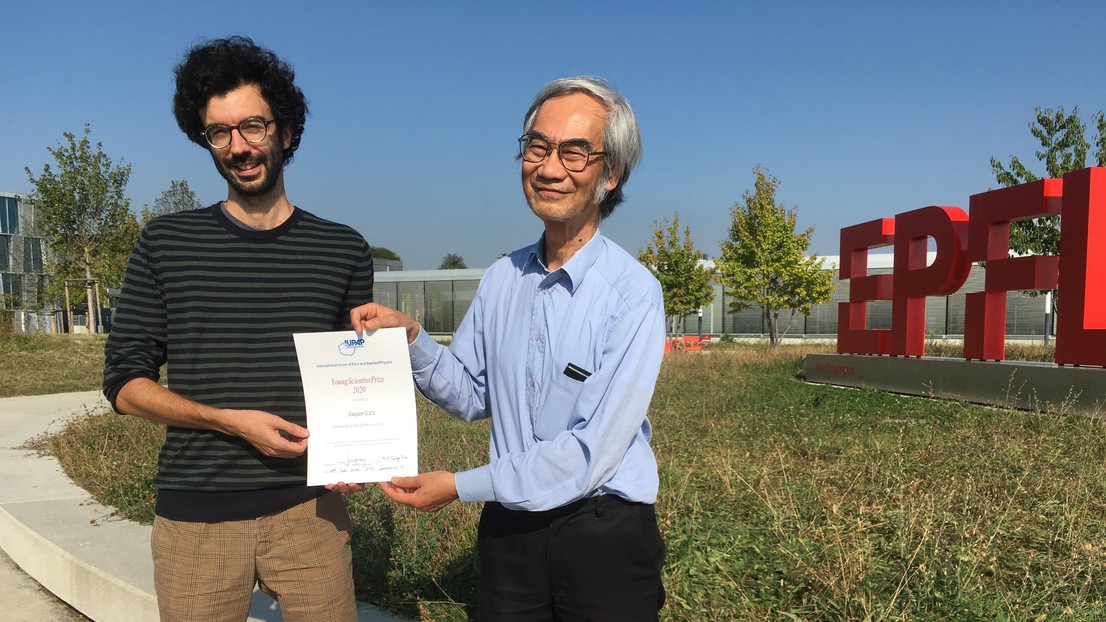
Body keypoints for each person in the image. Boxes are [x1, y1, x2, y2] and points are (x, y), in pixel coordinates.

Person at [345, 76, 667, 620]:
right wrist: (413, 340)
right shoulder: (501, 278)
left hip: (602, 529)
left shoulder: (632, 294)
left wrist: (461, 486)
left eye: (574, 152)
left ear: (610, 174)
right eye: (537, 147)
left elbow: (591, 452)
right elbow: (471, 393)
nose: (548, 168)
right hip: (512, 526)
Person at [103, 36, 374, 622]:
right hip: (194, 520)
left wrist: (354, 455)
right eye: (218, 132)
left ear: (287, 131)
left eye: (252, 126)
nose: (238, 146)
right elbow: (124, 384)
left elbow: (352, 380)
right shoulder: (165, 243)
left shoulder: (343, 249)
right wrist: (228, 421)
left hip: (312, 513)